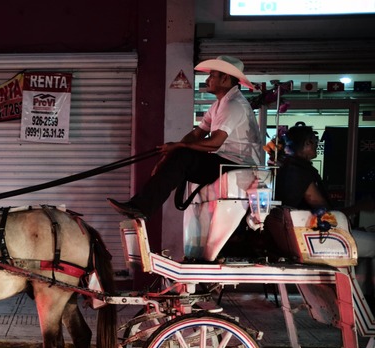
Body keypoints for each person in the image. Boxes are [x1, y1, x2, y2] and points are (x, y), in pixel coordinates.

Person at [108, 55, 263, 219]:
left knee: (184, 156)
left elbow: (215, 143)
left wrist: (178, 146)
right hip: (225, 163)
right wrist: (168, 156)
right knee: (181, 155)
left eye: (212, 76)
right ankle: (139, 206)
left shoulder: (233, 105)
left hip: (237, 167)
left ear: (225, 79)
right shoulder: (219, 104)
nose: (207, 80)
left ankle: (141, 207)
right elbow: (197, 134)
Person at [274, 122, 375, 256]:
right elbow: (327, 214)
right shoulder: (300, 172)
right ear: (307, 143)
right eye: (315, 140)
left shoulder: (289, 169)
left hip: (300, 234)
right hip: (314, 237)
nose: (317, 144)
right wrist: (360, 207)